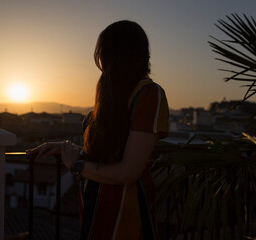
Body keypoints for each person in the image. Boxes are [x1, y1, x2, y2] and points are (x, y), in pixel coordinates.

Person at [27, 20, 169, 240]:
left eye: (104, 51)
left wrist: (76, 165)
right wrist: (64, 148)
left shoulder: (149, 95)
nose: (100, 57)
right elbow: (112, 153)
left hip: (126, 210)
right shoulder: (111, 97)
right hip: (96, 206)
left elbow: (127, 171)